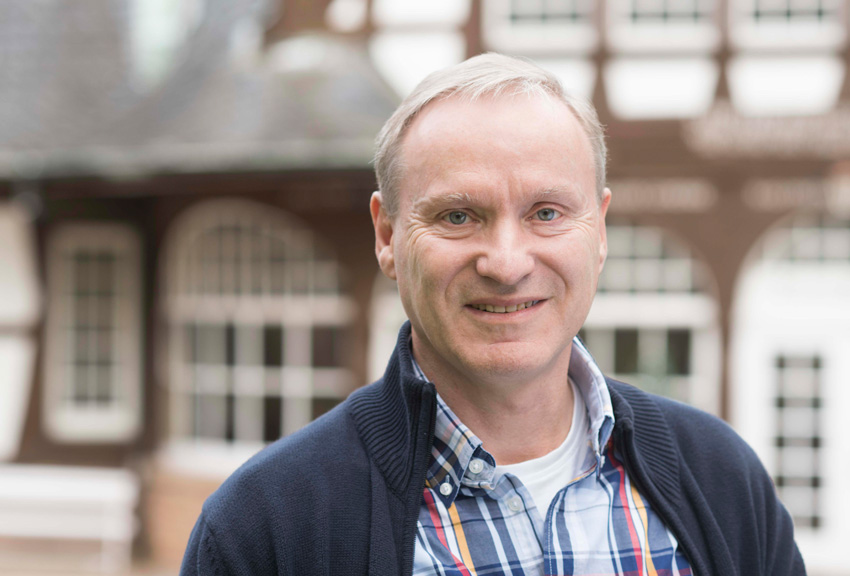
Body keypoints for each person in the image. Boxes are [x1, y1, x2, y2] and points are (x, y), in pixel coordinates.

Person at [180, 53, 805, 576]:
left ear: (599, 230)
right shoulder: (265, 527)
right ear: (387, 235)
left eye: (547, 213)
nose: (506, 264)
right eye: (458, 216)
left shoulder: (720, 477)